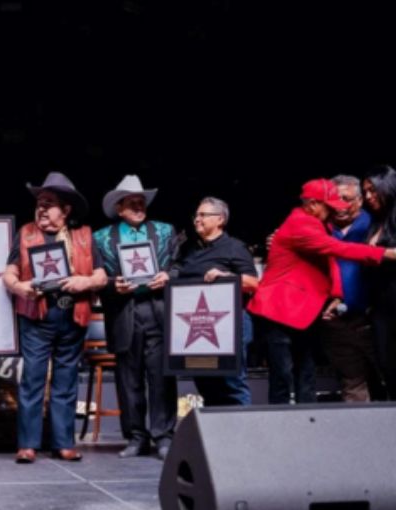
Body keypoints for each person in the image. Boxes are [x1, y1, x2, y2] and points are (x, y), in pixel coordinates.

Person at [247, 178, 396, 404]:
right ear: (313, 205)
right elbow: (337, 249)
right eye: (331, 206)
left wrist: (336, 294)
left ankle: (309, 427)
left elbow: (329, 262)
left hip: (302, 312)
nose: (336, 211)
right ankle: (280, 432)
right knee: (283, 377)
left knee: (306, 374)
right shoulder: (301, 224)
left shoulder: (320, 224)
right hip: (278, 311)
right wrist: (385, 253)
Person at [3, 172, 107, 464]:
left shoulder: (84, 235)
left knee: (66, 380)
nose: (41, 209)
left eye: (49, 203)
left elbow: (101, 275)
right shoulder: (25, 233)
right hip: (37, 316)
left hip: (72, 315)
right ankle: (27, 444)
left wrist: (83, 283)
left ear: (66, 209)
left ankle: (63, 442)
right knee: (33, 379)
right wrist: (19, 287)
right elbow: (9, 271)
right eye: (39, 203)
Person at [93, 174, 179, 460]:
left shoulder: (166, 231)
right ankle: (135, 437)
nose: (138, 206)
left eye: (141, 202)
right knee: (128, 379)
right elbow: (98, 278)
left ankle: (164, 437)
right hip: (124, 311)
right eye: (131, 203)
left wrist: (169, 275)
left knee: (161, 377)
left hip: (157, 309)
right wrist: (112, 285)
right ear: (119, 208)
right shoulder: (102, 237)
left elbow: (181, 266)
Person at [171, 197, 258, 405]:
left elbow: (254, 284)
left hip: (230, 324)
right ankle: (216, 434)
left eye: (203, 215)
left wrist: (226, 276)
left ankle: (240, 435)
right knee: (206, 383)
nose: (197, 220)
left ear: (220, 219)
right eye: (196, 215)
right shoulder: (190, 249)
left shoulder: (235, 247)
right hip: (196, 325)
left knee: (233, 383)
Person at [319, 175, 376, 402]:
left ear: (361, 200)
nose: (340, 206)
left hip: (373, 320)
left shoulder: (376, 226)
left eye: (347, 199)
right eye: (335, 199)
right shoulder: (319, 229)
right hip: (335, 322)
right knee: (352, 382)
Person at [362, 166, 396, 399]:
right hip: (381, 302)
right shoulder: (376, 221)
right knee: (385, 362)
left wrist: (378, 253)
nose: (368, 197)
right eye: (365, 192)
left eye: (372, 190)